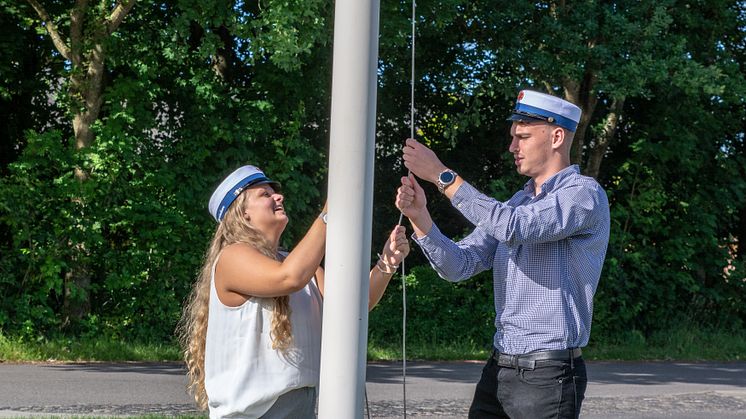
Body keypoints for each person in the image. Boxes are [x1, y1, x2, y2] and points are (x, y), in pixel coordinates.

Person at [395, 90, 610, 419]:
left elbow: (515, 228)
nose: (512, 147)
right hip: (500, 367)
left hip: (548, 375)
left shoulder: (583, 194)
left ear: (556, 137)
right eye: (513, 137)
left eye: (522, 136)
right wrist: (419, 216)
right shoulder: (517, 202)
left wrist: (442, 175)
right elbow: (459, 265)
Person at [178, 165, 409, 418]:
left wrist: (387, 263)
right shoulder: (232, 256)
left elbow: (356, 304)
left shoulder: (295, 263)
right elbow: (289, 277)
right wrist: (329, 213)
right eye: (265, 195)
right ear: (242, 213)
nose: (279, 197)